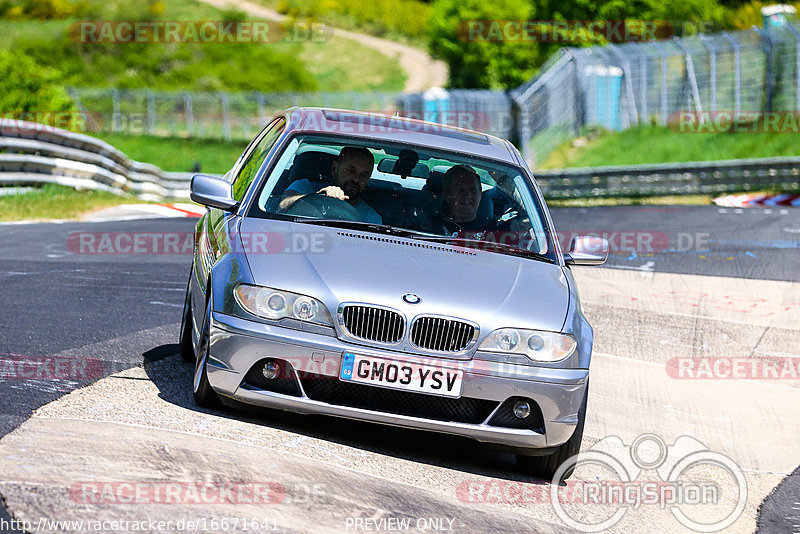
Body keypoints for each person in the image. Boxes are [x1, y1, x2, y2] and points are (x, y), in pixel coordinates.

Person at [279, 146, 382, 224]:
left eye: (363, 175)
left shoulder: (371, 217)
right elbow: (282, 205)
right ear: (334, 169)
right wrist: (316, 197)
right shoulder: (304, 186)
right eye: (350, 170)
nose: (356, 179)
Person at [436, 164, 496, 235]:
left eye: (473, 190)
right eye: (461, 190)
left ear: (480, 193)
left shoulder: (495, 232)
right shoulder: (429, 227)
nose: (468, 195)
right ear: (447, 194)